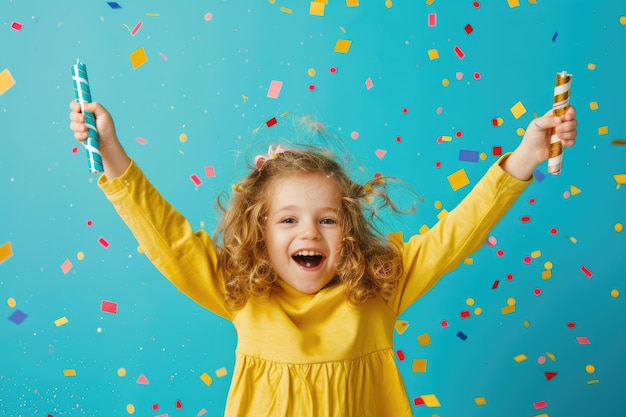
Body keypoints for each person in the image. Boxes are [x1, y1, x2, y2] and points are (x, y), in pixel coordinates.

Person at [69, 100, 577, 416]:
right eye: (288, 220)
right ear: (258, 233)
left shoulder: (380, 288)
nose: (309, 231)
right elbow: (170, 240)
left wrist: (526, 157)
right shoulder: (242, 293)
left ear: (349, 231)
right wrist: (111, 150)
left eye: (327, 220)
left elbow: (457, 234)